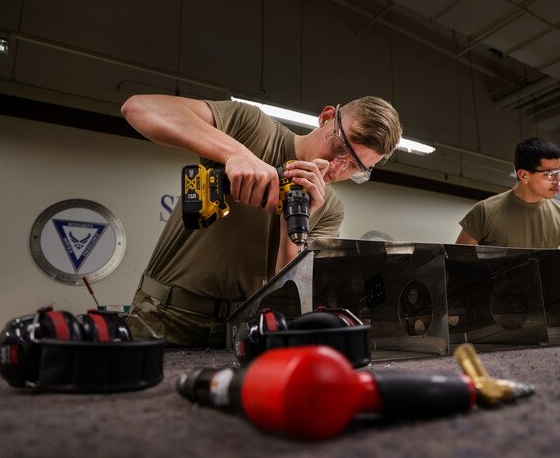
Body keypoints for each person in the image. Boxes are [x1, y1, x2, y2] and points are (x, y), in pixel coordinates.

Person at [120, 94, 402, 346]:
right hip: (163, 313)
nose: (337, 167)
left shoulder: (329, 208)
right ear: (326, 117)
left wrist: (298, 214)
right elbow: (139, 108)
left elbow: (289, 293)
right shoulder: (252, 127)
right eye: (341, 146)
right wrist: (236, 154)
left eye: (355, 167)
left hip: (241, 329)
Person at [456, 137, 560, 250]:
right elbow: (457, 265)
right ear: (524, 175)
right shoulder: (485, 212)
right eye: (549, 174)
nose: (558, 181)